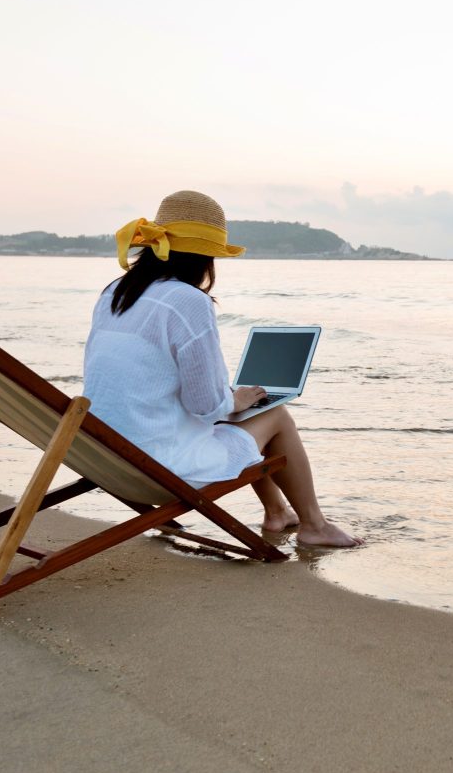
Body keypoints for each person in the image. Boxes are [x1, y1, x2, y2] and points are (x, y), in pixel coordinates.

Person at [83, 190, 361, 548]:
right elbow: (207, 406)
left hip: (107, 453)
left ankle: (277, 511)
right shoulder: (189, 301)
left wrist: (230, 401)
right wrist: (235, 398)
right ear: (205, 257)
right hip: (160, 465)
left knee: (238, 414)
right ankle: (314, 525)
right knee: (274, 415)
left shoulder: (115, 292)